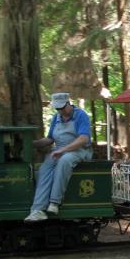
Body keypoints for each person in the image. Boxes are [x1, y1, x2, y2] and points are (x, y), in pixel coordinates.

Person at [24, 93, 93, 222]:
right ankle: (38, 209)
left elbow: (83, 139)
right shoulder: (56, 117)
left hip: (79, 150)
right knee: (44, 168)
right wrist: (32, 144)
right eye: (57, 108)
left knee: (64, 161)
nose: (60, 111)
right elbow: (50, 139)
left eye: (61, 107)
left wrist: (62, 150)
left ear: (68, 103)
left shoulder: (81, 115)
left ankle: (54, 202)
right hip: (59, 150)